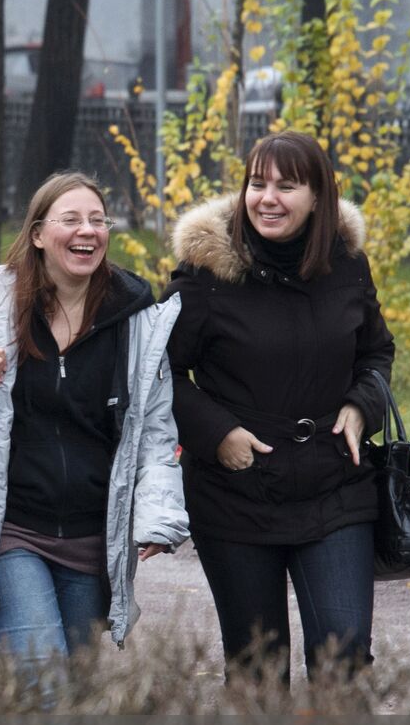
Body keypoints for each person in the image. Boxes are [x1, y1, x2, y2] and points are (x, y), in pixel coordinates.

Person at [0, 171, 189, 695]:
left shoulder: (136, 321)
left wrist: (159, 516)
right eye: (71, 220)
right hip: (11, 533)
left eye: (98, 221)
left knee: (70, 696)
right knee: (47, 687)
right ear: (38, 234)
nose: (88, 231)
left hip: (92, 544)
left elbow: (154, 431)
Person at [163, 131, 395, 682]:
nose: (267, 198)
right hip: (237, 495)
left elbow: (376, 351)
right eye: (257, 183)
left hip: (336, 485)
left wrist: (363, 405)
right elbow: (157, 372)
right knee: (257, 672)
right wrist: (217, 433)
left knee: (344, 660)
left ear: (318, 197)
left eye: (287, 186)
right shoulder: (206, 275)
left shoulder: (347, 266)